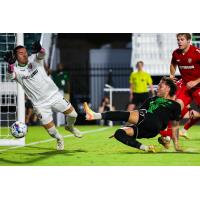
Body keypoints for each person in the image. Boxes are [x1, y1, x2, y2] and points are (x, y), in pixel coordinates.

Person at [4, 41, 82, 151]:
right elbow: (9, 77)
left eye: (25, 52)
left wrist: (40, 49)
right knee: (51, 131)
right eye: (21, 53)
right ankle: (59, 138)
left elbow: (42, 54)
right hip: (40, 104)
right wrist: (10, 65)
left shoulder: (33, 59)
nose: (25, 54)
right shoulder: (16, 70)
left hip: (54, 95)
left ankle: (70, 127)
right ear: (15, 56)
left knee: (73, 114)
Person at [84, 77, 182, 152]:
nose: (157, 88)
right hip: (148, 130)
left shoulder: (175, 105)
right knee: (119, 133)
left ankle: (95, 115)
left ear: (168, 88)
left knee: (131, 114)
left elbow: (175, 126)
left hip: (155, 124)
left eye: (160, 86)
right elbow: (137, 118)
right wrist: (125, 128)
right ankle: (146, 148)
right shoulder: (151, 100)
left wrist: (176, 144)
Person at [160, 33, 200, 141]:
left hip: (198, 87)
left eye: (182, 39)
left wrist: (196, 81)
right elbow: (173, 64)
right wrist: (172, 76)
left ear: (188, 41)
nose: (179, 42)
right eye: (178, 40)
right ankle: (167, 136)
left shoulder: (197, 53)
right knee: (176, 107)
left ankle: (181, 129)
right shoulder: (176, 53)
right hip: (185, 86)